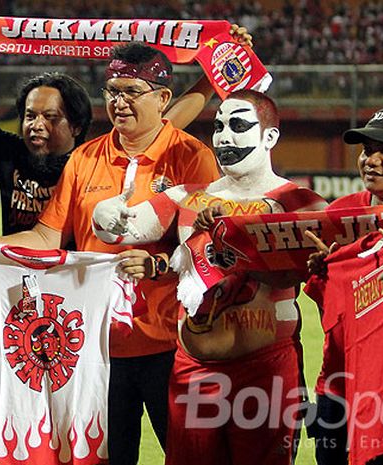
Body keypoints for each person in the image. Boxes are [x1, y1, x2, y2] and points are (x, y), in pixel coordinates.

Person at [0, 42, 219, 464]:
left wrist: (155, 265)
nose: (119, 102)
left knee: (188, 456)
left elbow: (205, 248)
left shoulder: (192, 158)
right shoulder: (84, 159)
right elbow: (47, 236)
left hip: (172, 344)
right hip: (97, 351)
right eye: (112, 91)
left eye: (131, 92)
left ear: (163, 98)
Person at [90, 89, 327, 465]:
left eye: (238, 126)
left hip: (265, 372)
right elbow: (122, 229)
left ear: (269, 137)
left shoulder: (299, 202)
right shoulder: (187, 197)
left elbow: (329, 263)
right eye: (218, 127)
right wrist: (106, 215)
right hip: (193, 373)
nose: (224, 137)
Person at [0, 15, 251, 235]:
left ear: (77, 124)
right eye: (30, 116)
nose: (36, 125)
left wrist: (218, 61)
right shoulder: (10, 154)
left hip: (78, 282)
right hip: (23, 274)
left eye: (51, 117)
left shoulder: (91, 159)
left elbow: (164, 119)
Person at [305, 107, 383, 465]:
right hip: (338, 387)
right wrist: (323, 275)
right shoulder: (340, 215)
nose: (370, 160)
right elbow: (330, 315)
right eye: (365, 150)